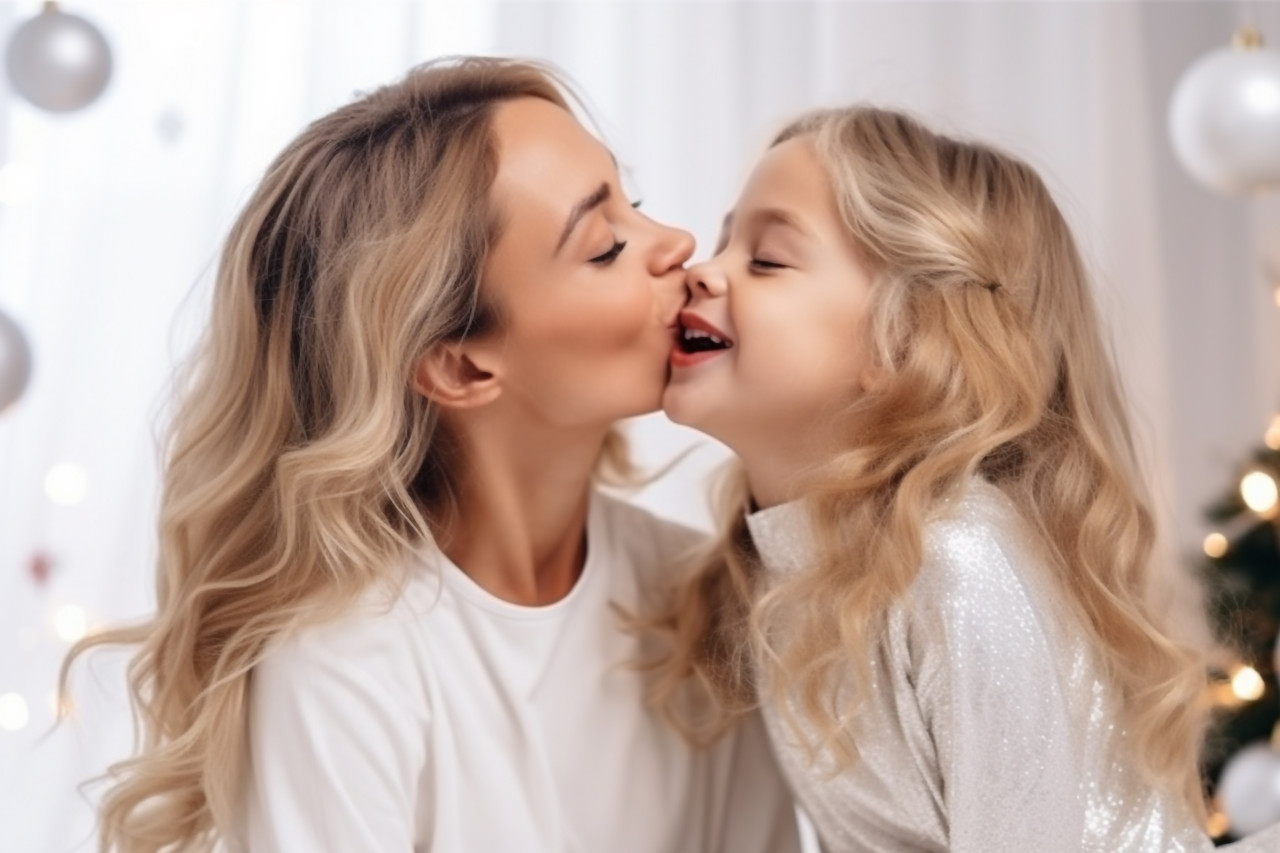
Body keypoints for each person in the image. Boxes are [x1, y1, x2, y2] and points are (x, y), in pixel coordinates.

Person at [60, 57, 798, 852]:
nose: (680, 243)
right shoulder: (344, 659)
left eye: (636, 202)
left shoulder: (712, 605)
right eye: (605, 246)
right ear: (461, 367)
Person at [650, 104, 1280, 851]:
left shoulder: (953, 557)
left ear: (902, 341)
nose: (702, 271)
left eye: (766, 260)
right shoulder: (774, 567)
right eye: (724, 241)